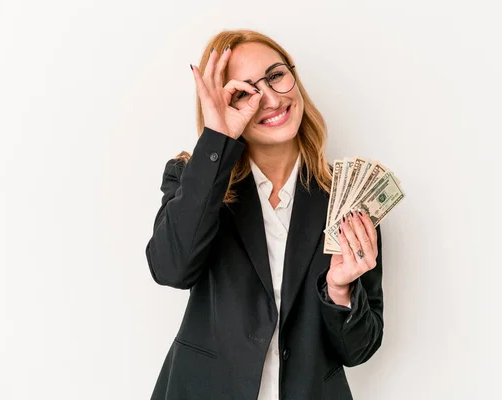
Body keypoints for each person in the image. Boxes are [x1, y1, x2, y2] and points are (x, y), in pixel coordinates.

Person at [145, 29, 384, 400]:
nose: (270, 99)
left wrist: (340, 290)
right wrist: (217, 138)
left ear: (294, 77)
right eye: (245, 92)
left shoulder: (347, 198)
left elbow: (359, 349)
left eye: (275, 76)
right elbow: (171, 269)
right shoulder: (195, 179)